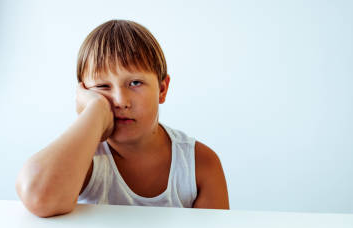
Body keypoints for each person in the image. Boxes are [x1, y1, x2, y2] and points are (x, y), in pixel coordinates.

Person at [16, 20, 230, 217]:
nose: (120, 101)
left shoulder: (199, 164)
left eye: (135, 83)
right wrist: (97, 109)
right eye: (102, 87)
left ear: (162, 89)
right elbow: (39, 196)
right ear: (84, 97)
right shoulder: (83, 159)